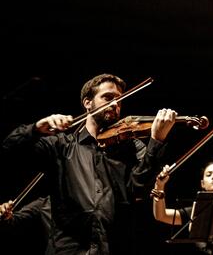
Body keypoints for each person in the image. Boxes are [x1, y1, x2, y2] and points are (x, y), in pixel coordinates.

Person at [1, 73, 177, 255]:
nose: (115, 104)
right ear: (87, 103)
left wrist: (156, 141)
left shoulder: (131, 147)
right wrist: (36, 128)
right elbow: (9, 149)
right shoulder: (62, 146)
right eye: (108, 97)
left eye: (119, 100)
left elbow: (140, 189)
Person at [153, 162, 213, 254]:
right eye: (209, 174)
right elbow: (161, 215)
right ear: (202, 184)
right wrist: (159, 186)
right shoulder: (197, 211)